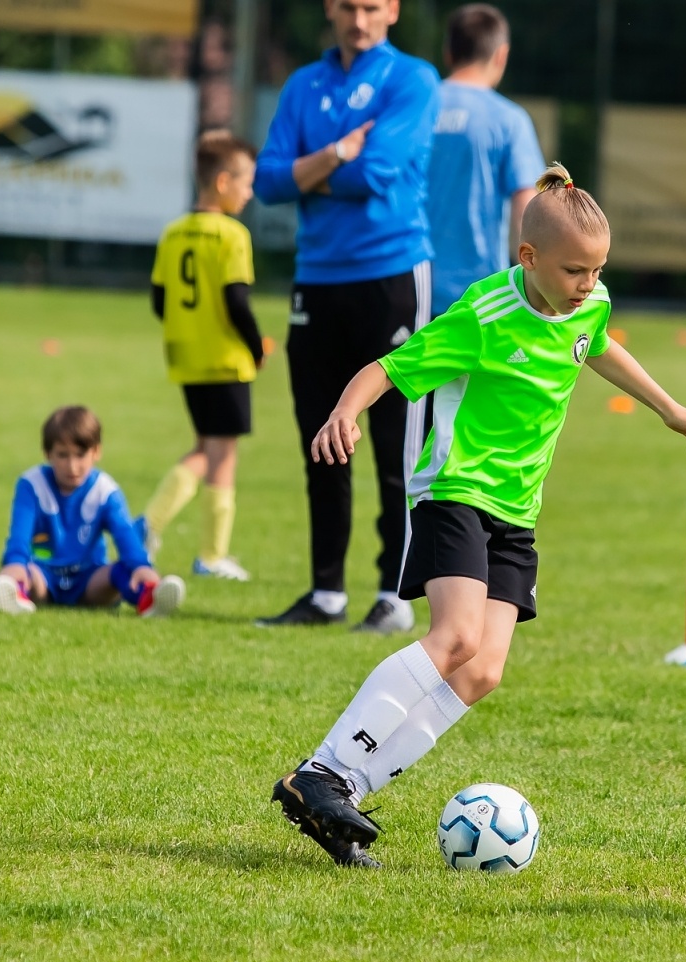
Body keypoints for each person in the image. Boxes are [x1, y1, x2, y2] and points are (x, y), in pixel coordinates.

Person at [269, 165, 686, 867]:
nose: (588, 284)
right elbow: (389, 368)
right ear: (529, 258)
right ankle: (322, 771)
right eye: (575, 269)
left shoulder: (587, 304)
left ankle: (343, 794)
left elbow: (598, 344)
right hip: (456, 490)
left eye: (598, 269)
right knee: (453, 638)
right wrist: (344, 413)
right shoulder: (484, 314)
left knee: (482, 671)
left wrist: (670, 410)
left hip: (518, 510)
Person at [253, 0, 441, 634]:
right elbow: (268, 182)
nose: (358, 18)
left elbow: (380, 171)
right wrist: (335, 154)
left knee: (395, 442)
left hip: (391, 274)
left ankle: (394, 593)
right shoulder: (303, 84)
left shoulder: (412, 78)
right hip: (318, 278)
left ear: (391, 10)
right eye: (347, 5)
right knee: (321, 440)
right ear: (329, 9)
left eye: (371, 5)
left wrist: (310, 171)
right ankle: (326, 592)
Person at [141, 130, 266, 582]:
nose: (249, 192)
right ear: (222, 183)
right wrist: (256, 347)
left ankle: (147, 528)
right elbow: (237, 301)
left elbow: (159, 301)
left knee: (205, 447)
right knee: (223, 455)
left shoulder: (173, 232)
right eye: (246, 182)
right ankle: (211, 555)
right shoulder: (231, 235)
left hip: (186, 357)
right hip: (225, 359)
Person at [0, 406, 185, 618]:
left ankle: (149, 598)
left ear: (96, 452)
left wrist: (141, 566)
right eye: (62, 455)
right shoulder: (31, 484)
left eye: (80, 455)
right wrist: (15, 564)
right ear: (48, 454)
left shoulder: (104, 490)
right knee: (21, 571)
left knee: (122, 571)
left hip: (89, 581)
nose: (72, 466)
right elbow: (19, 535)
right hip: (43, 577)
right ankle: (15, 593)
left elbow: (124, 534)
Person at [428, 3, 545, 313]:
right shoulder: (508, 120)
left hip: (409, 283)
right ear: (501, 55)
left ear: (448, 52)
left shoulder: (416, 108)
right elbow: (527, 210)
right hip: (480, 294)